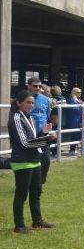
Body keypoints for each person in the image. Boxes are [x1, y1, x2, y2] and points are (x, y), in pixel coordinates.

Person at [8, 90, 57, 233]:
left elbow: (33, 138)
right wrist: (46, 140)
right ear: (18, 103)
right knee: (21, 194)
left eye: (32, 103)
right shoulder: (16, 118)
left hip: (35, 159)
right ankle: (19, 225)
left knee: (36, 192)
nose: (31, 105)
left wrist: (43, 133)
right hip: (22, 161)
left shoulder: (29, 117)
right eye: (28, 102)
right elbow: (25, 143)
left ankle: (37, 221)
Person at [65, 87, 83, 154]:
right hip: (73, 120)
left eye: (80, 92)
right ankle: (72, 150)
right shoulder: (71, 99)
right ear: (74, 92)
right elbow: (73, 109)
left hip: (78, 119)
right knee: (74, 135)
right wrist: (81, 107)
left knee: (77, 134)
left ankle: (74, 149)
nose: (80, 93)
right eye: (78, 92)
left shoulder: (78, 100)